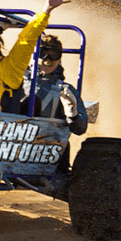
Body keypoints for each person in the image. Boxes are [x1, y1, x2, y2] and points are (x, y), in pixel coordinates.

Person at [21, 34, 88, 173]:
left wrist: (72, 113)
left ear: (59, 58)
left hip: (50, 152)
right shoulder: (17, 80)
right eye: (43, 54)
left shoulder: (65, 89)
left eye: (53, 55)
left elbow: (80, 129)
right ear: (34, 55)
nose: (47, 61)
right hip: (13, 143)